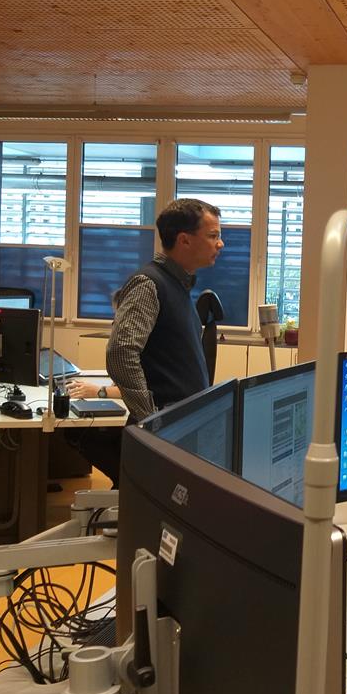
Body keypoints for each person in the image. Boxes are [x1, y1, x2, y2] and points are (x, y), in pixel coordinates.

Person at [81, 198, 223, 485]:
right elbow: (121, 352)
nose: (220, 244)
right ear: (184, 240)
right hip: (162, 431)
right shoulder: (149, 284)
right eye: (213, 236)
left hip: (179, 427)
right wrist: (149, 418)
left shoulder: (178, 285)